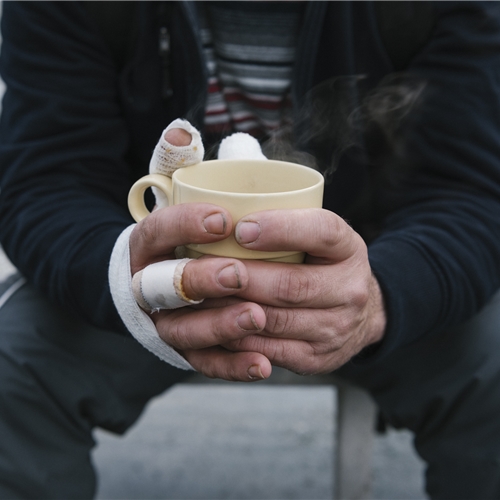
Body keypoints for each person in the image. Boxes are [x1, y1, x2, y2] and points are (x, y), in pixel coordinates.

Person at [1, 1, 500, 498]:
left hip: (377, 269)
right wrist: (124, 273)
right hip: (145, 284)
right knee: (11, 375)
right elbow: (46, 179)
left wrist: (379, 296)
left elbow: (470, 190)